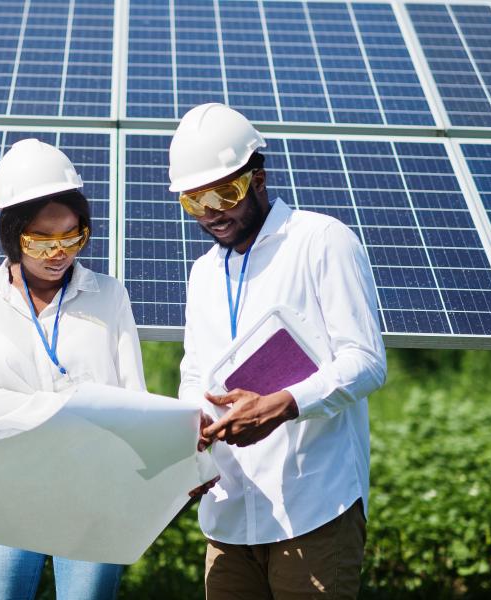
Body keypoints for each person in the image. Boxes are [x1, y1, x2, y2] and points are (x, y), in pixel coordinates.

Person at [172, 103, 387, 599]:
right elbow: (196, 375)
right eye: (194, 201)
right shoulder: (203, 273)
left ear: (259, 179)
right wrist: (191, 436)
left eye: (225, 193)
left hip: (313, 506)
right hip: (227, 511)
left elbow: (366, 361)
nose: (212, 212)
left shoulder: (321, 241)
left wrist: (283, 405)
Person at [0, 138, 146, 600]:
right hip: (7, 490)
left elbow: (133, 399)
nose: (58, 252)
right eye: (41, 239)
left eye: (72, 237)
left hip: (93, 491)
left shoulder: (109, 295)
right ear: (11, 233)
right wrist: (62, 410)